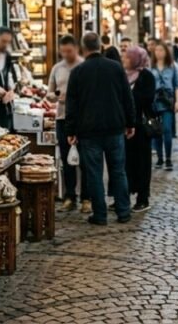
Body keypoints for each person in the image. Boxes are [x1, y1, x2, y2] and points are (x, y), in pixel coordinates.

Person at [65, 33, 136, 225]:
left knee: (94, 174)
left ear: (83, 49)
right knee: (118, 171)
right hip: (114, 127)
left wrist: (70, 131)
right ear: (100, 47)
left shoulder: (78, 72)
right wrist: (131, 123)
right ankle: (123, 211)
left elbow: (71, 104)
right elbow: (127, 97)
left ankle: (100, 214)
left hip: (89, 131)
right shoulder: (115, 68)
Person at [48, 35, 88, 214]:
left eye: (69, 51)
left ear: (76, 49)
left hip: (82, 118)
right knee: (66, 158)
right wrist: (57, 96)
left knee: (85, 159)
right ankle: (69, 195)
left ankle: (87, 197)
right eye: (63, 51)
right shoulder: (57, 68)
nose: (66, 54)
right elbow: (49, 93)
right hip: (62, 117)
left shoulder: (83, 66)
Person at [123, 46, 155, 212]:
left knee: (142, 162)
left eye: (128, 58)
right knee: (125, 162)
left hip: (141, 127)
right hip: (125, 126)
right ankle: (124, 195)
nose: (125, 60)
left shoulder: (146, 76)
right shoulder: (123, 75)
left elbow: (148, 98)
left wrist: (130, 98)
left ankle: (143, 197)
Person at [150, 43, 178, 170]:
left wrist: (177, 102)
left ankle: (168, 158)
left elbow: (177, 85)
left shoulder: (172, 66)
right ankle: (160, 158)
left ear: (166, 52)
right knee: (156, 130)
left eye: (161, 50)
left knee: (167, 130)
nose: (158, 52)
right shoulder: (150, 67)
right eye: (156, 50)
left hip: (168, 101)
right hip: (154, 101)